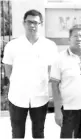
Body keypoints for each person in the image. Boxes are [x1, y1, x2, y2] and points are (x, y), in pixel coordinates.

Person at [2, 9, 58, 138]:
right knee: (17, 133)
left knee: (39, 133)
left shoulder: (49, 45)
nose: (32, 25)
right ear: (23, 23)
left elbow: (52, 70)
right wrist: (19, 83)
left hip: (40, 97)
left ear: (41, 24)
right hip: (17, 97)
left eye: (35, 22)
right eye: (29, 22)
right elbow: (8, 70)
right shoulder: (12, 45)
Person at [50, 24, 81, 138]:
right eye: (75, 36)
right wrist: (57, 111)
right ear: (69, 39)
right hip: (68, 111)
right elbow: (54, 85)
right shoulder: (60, 59)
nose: (79, 38)